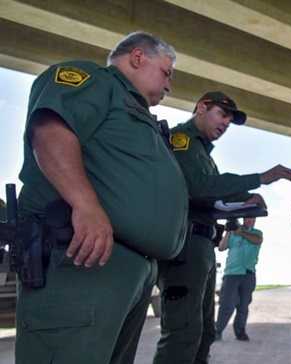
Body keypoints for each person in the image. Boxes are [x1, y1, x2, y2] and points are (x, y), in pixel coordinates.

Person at [15, 31, 189, 364]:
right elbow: (50, 130)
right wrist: (86, 204)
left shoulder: (142, 119)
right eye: (167, 73)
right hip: (84, 261)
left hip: (130, 270)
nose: (169, 86)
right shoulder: (97, 81)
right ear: (138, 57)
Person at [153, 91, 291, 364]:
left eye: (230, 121)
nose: (225, 124)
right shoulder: (182, 140)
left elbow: (212, 191)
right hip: (186, 246)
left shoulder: (202, 152)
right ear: (202, 107)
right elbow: (198, 187)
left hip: (203, 246)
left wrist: (244, 199)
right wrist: (260, 179)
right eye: (222, 115)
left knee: (204, 332)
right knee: (182, 333)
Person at [215, 217, 263, 341]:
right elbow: (221, 247)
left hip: (248, 274)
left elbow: (257, 241)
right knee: (226, 304)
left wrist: (240, 231)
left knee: (243, 306)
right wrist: (228, 231)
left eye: (252, 218)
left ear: (255, 220)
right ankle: (217, 331)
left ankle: (240, 332)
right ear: (244, 219)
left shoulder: (257, 233)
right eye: (247, 218)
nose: (250, 220)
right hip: (231, 274)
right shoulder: (232, 234)